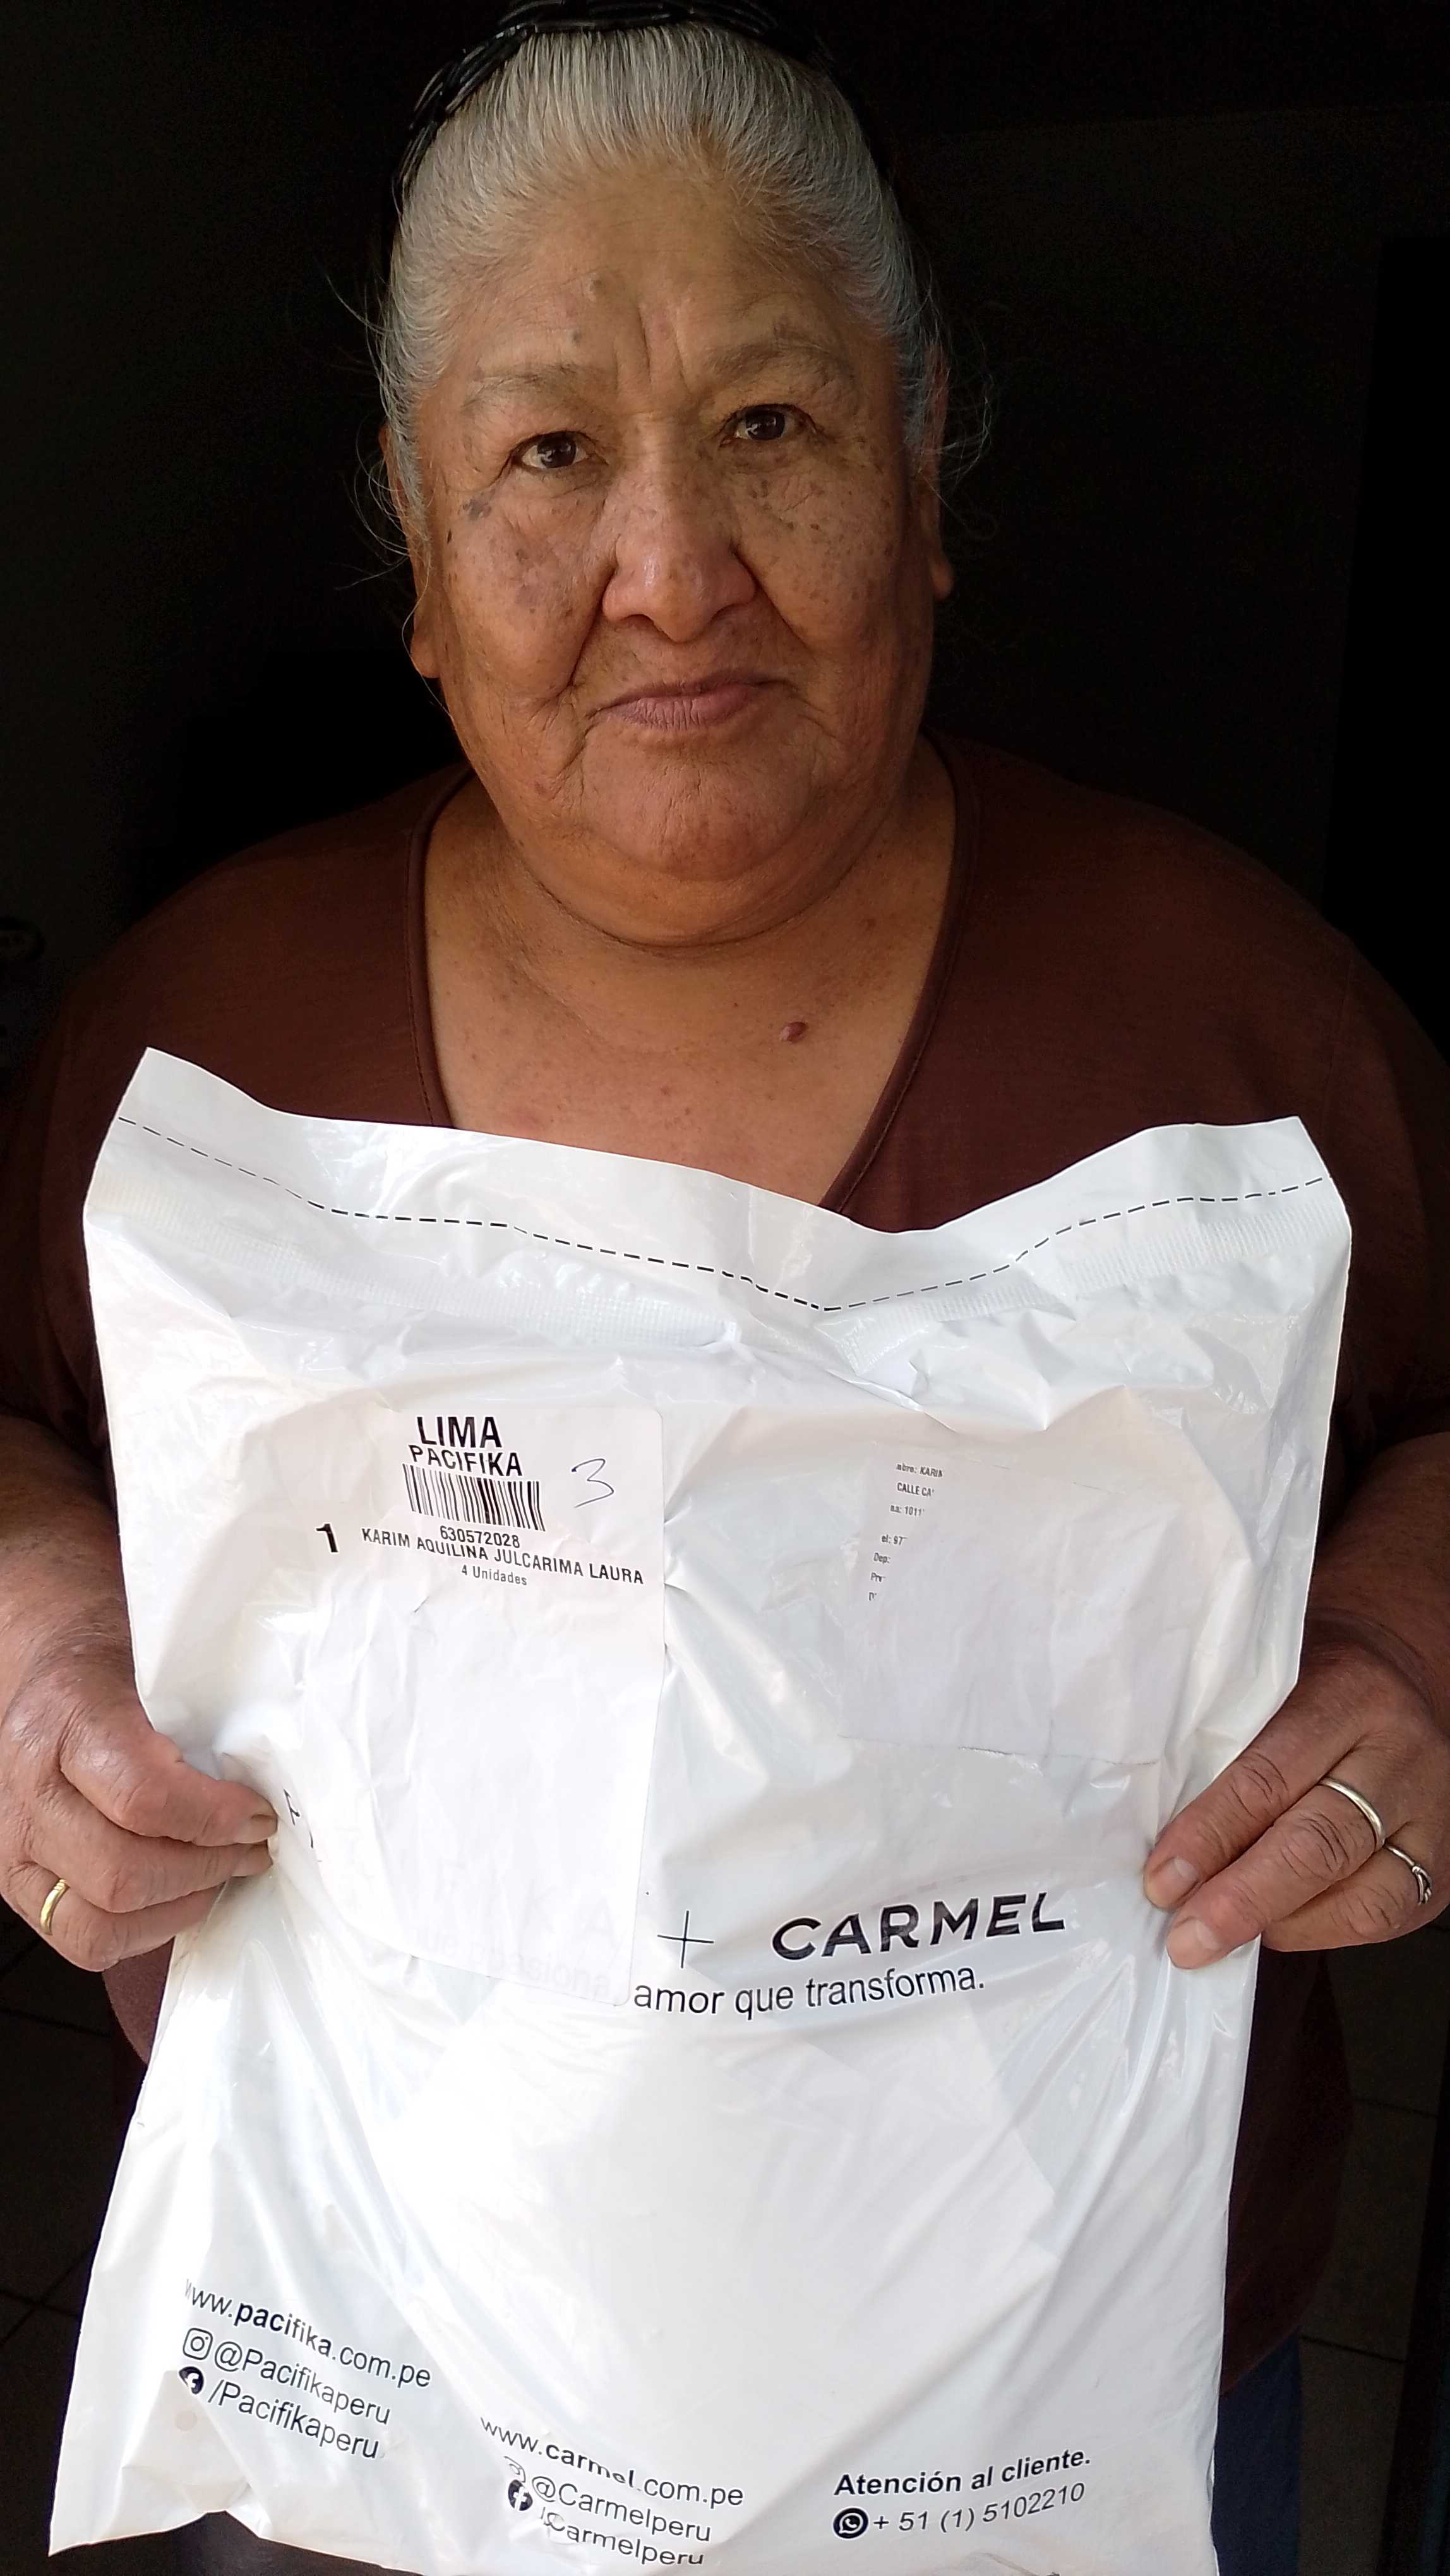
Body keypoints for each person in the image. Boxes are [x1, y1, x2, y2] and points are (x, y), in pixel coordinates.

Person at [2, 6, 1448, 2569]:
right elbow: (17, 1435)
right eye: (550, 454)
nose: (670, 570)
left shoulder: (1238, 1032)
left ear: (921, 473)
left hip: (1050, 2433)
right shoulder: (198, 1045)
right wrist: (25, 1651)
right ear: (421, 550)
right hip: (374, 2420)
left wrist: (1424, 1656)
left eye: (769, 424)